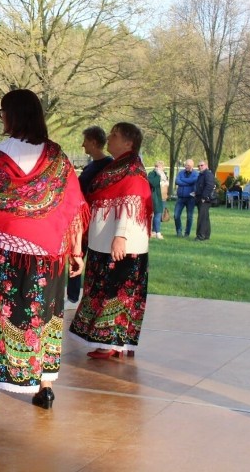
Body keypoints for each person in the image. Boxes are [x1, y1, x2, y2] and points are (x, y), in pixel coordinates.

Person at [0, 89, 86, 412]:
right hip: (48, 258)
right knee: (45, 319)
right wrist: (76, 252)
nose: (2, 118)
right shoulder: (57, 157)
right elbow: (72, 207)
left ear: (13, 115)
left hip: (6, 252)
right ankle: (45, 387)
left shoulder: (0, 153)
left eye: (2, 112)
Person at [69, 122, 150, 360]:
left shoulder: (132, 170)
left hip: (120, 243)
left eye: (115, 136)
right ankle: (111, 342)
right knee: (104, 290)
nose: (110, 139)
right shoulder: (115, 168)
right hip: (103, 241)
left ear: (129, 143)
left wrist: (121, 236)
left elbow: (130, 202)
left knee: (118, 292)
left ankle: (114, 342)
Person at [67, 126, 113, 307]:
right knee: (75, 254)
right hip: (82, 220)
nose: (82, 145)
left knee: (95, 259)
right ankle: (72, 297)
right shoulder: (90, 166)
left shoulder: (108, 165)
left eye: (85, 141)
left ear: (94, 142)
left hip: (97, 220)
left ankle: (94, 297)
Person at [173, 159, 198, 237]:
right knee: (176, 215)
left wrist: (183, 181)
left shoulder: (196, 174)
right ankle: (179, 231)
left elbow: (193, 180)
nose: (186, 166)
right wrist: (188, 182)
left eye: (188, 165)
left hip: (191, 198)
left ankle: (187, 233)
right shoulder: (180, 173)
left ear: (192, 166)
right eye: (186, 165)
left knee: (189, 217)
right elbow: (177, 181)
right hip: (180, 197)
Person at [194, 161, 216, 241]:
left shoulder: (208, 174)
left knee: (202, 218)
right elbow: (201, 186)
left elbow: (210, 186)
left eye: (201, 165)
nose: (200, 167)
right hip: (201, 198)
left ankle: (200, 236)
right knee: (205, 217)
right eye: (198, 165)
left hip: (205, 200)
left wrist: (204, 197)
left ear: (206, 165)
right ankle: (206, 235)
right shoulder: (202, 174)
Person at [147, 161, 168, 240]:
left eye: (160, 167)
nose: (158, 168)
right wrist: (159, 175)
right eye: (157, 166)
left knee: (159, 215)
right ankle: (158, 232)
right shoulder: (152, 174)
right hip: (155, 198)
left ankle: (154, 231)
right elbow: (153, 183)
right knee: (157, 214)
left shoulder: (164, 175)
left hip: (163, 198)